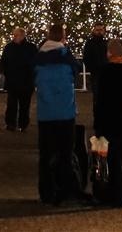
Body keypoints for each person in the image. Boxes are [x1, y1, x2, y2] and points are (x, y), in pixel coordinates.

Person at [34, 23, 83, 206]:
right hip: (65, 111)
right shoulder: (67, 57)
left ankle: (47, 192)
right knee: (65, 153)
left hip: (45, 113)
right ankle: (65, 190)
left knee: (46, 154)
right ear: (63, 37)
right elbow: (75, 75)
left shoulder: (38, 58)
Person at [92, 38, 122, 207]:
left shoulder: (105, 71)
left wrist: (97, 122)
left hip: (107, 118)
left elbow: (99, 98)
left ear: (112, 53)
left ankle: (114, 193)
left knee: (111, 157)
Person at [0, 27, 37, 132]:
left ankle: (23, 124)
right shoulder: (9, 47)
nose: (14, 37)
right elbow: (4, 62)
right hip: (14, 81)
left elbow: (34, 63)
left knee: (24, 105)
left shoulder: (31, 48)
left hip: (25, 81)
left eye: (16, 35)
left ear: (22, 36)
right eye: (14, 35)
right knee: (12, 104)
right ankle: (11, 124)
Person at [82, 23, 108, 95]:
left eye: (101, 30)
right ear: (93, 31)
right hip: (95, 73)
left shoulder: (106, 43)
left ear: (104, 31)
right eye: (97, 30)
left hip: (106, 73)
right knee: (97, 95)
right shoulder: (89, 43)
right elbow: (86, 58)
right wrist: (91, 69)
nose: (99, 32)